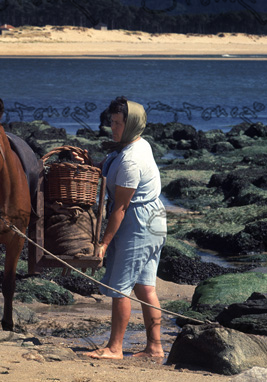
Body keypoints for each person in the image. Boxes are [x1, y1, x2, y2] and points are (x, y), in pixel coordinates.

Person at [83, 96, 167, 359]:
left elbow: (119, 209)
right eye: (112, 122)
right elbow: (111, 170)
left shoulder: (131, 159)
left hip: (138, 223)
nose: (113, 128)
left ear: (131, 124)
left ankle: (114, 348)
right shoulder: (137, 144)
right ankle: (154, 347)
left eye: (118, 123)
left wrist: (104, 243)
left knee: (121, 288)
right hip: (154, 219)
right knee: (145, 288)